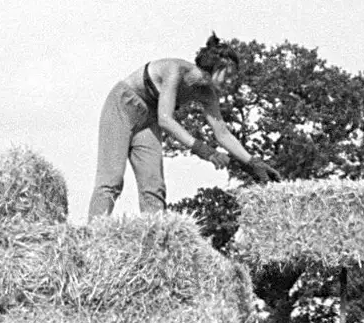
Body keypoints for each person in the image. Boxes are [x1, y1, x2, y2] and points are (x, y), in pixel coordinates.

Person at [88, 34, 281, 219]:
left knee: (154, 186)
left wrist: (252, 161)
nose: (231, 82)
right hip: (124, 105)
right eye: (228, 75)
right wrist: (204, 150)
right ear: (216, 67)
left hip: (150, 118)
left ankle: (157, 245)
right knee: (112, 179)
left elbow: (222, 133)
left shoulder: (208, 94)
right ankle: (92, 238)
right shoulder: (175, 70)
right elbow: (166, 119)